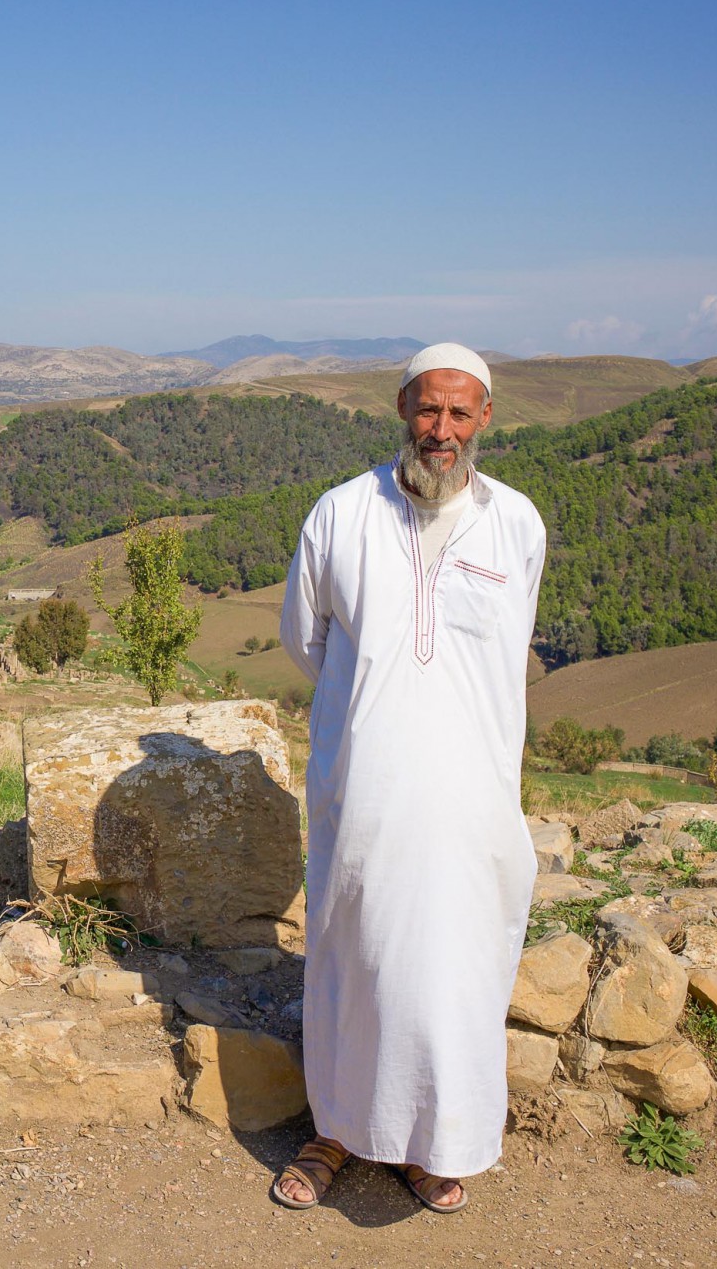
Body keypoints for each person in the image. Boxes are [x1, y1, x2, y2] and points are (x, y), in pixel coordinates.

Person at [273, 341, 546, 1215]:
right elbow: (303, 640)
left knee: (456, 968)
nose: (443, 429)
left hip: (474, 798)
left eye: (460, 413)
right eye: (429, 409)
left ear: (485, 419)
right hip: (369, 790)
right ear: (401, 407)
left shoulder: (516, 526)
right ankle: (337, 1130)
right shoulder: (342, 515)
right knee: (358, 952)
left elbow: (504, 654)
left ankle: (438, 1142)